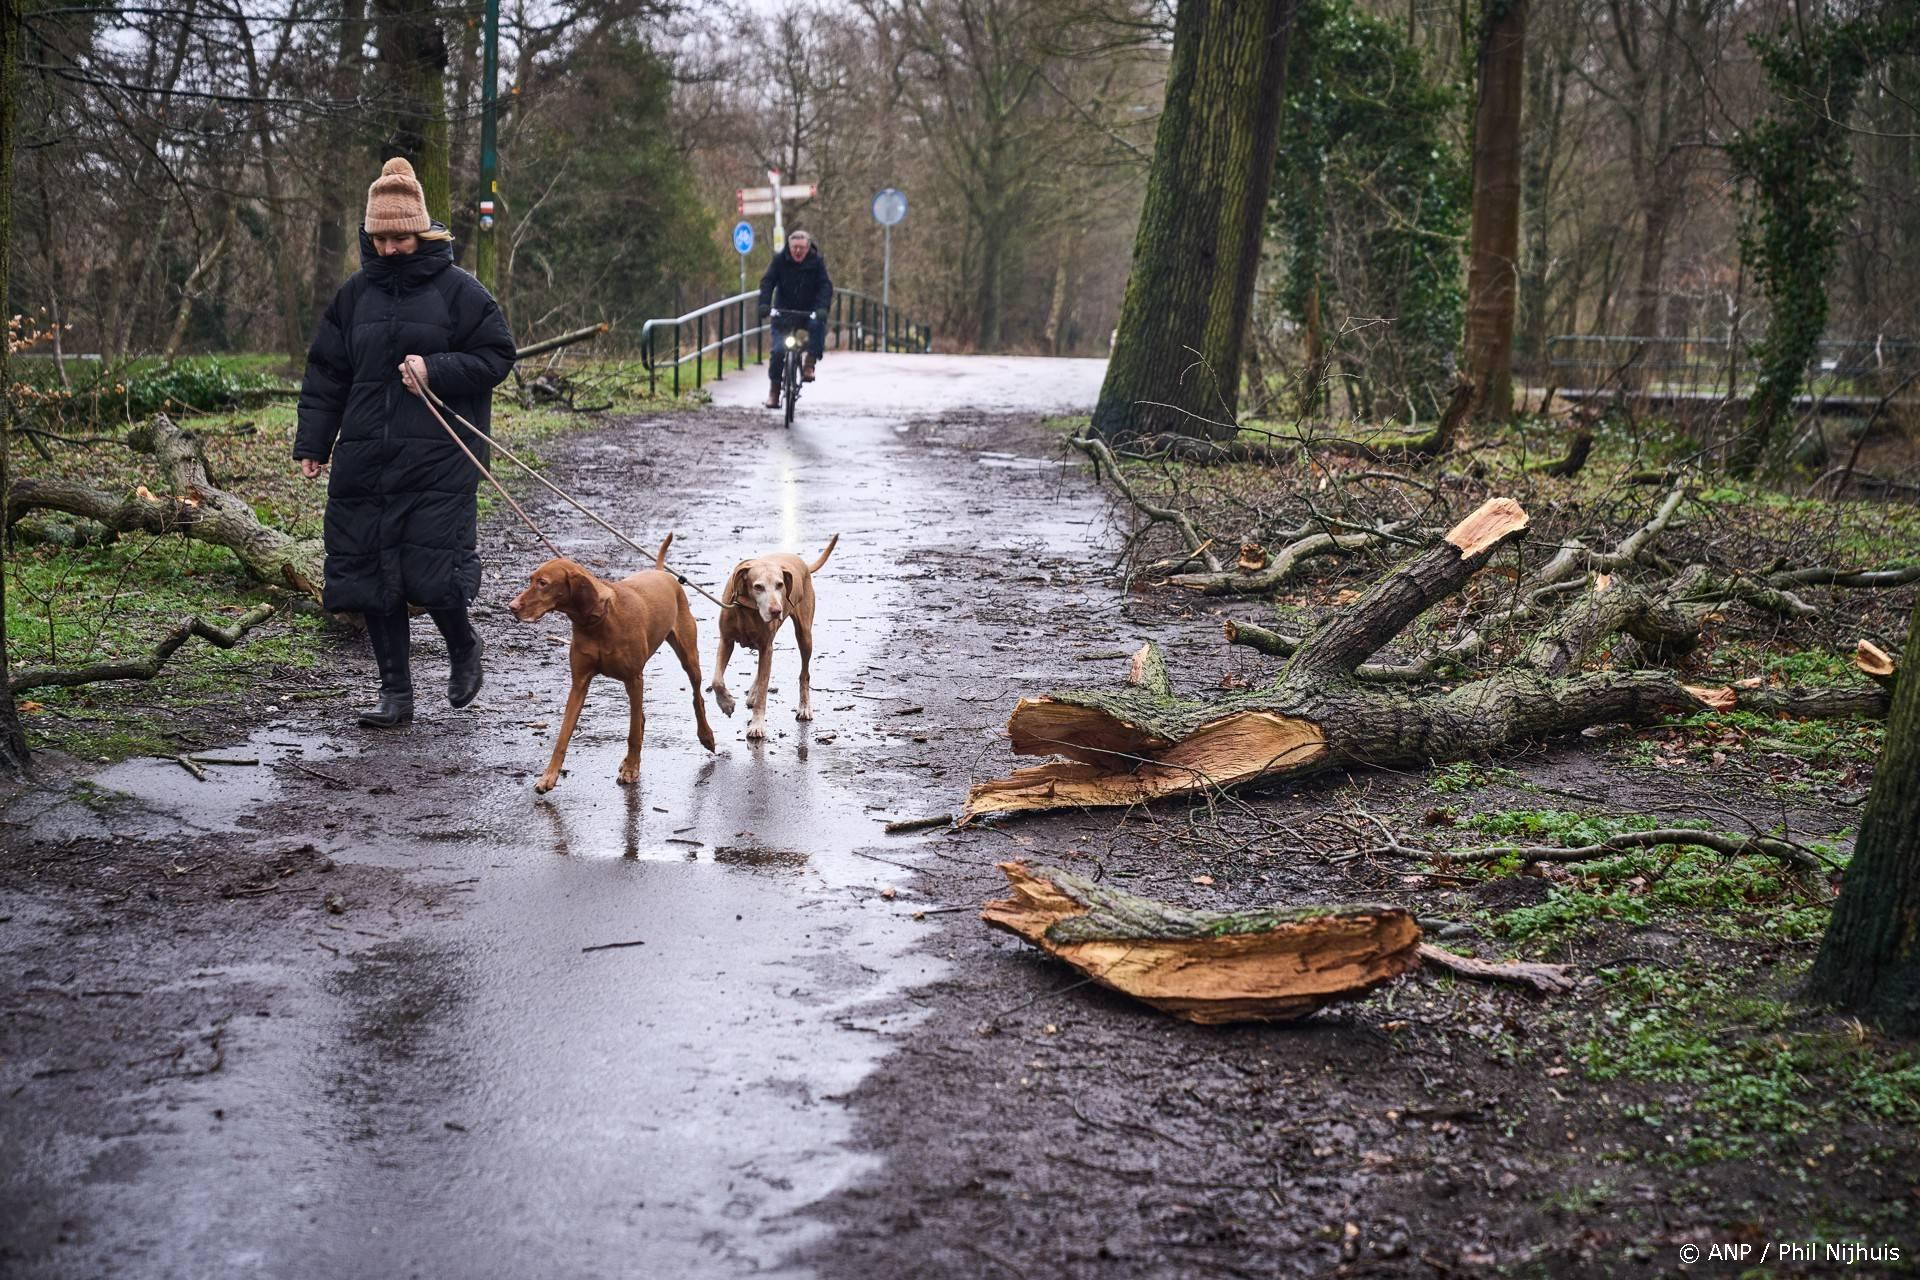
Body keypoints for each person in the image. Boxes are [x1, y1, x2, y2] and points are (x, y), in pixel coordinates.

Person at [294, 157, 517, 728]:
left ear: (421, 231)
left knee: (434, 572)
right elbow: (327, 373)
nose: (390, 248)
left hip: (439, 458)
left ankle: (463, 647)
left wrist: (434, 369)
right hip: (366, 459)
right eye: (381, 237)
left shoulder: (459, 292)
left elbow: (496, 357)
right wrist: (313, 443)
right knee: (371, 577)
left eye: (400, 236)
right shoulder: (351, 298)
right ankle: (395, 694)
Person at [757, 229, 833, 409]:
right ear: (789, 248)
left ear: (808, 248)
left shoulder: (816, 262)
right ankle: (774, 392)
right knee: (777, 351)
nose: (797, 251)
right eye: (794, 248)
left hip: (808, 311)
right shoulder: (779, 261)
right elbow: (767, 282)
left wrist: (822, 308)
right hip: (784, 311)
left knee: (817, 325)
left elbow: (825, 286)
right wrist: (764, 305)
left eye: (801, 248)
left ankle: (809, 364)